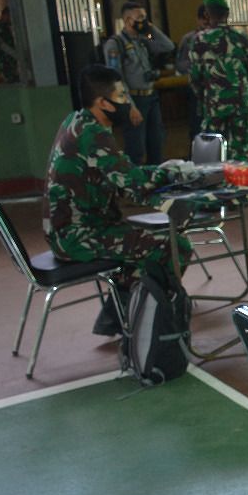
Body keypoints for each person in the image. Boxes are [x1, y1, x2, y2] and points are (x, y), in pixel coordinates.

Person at [43, 65, 193, 335]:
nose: (127, 102)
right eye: (122, 96)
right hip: (78, 236)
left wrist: (161, 170)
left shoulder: (77, 121)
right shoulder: (94, 134)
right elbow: (134, 186)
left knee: (144, 243)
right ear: (103, 102)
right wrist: (171, 172)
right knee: (174, 245)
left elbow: (122, 173)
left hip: (70, 230)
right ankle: (158, 323)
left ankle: (120, 314)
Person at [102, 2, 174, 166]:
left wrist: (150, 27)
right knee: (136, 148)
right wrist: (131, 106)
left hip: (151, 97)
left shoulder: (142, 40)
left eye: (145, 17)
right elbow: (116, 78)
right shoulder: (115, 44)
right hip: (134, 99)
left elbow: (167, 46)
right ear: (127, 20)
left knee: (156, 143)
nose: (144, 21)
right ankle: (136, 185)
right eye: (140, 17)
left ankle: (155, 181)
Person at [189, 0, 248, 161]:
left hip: (215, 102)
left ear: (207, 14)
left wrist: (202, 97)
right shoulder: (241, 37)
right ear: (227, 14)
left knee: (212, 146)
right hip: (241, 100)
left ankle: (216, 180)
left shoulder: (200, 39)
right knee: (240, 148)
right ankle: (239, 180)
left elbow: (195, 76)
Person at [175, 4, 209, 141]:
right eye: (203, 20)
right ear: (198, 20)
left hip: (218, 90)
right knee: (197, 128)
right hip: (198, 90)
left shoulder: (219, 37)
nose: (206, 24)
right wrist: (197, 66)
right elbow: (180, 64)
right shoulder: (189, 39)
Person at [0, 6, 19, 84]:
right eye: (11, 16)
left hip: (9, 60)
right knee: (11, 81)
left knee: (13, 80)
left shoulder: (6, 27)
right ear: (5, 15)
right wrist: (15, 55)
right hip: (4, 61)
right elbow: (3, 46)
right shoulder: (0, 27)